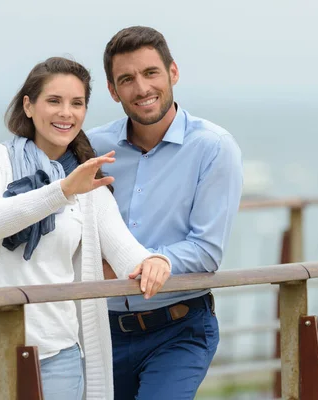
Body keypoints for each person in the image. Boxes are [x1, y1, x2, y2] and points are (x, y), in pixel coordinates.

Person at [0, 56, 171, 400]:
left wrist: (155, 262)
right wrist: (61, 191)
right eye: (54, 101)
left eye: (77, 103)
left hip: (59, 357)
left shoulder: (85, 182)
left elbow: (125, 251)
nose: (66, 113)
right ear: (29, 106)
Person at [86, 26, 244, 399]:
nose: (141, 89)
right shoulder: (93, 147)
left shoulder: (213, 147)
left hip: (178, 328)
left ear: (173, 72)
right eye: (127, 79)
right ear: (113, 90)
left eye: (150, 73)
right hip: (99, 331)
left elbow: (206, 250)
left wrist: (154, 261)